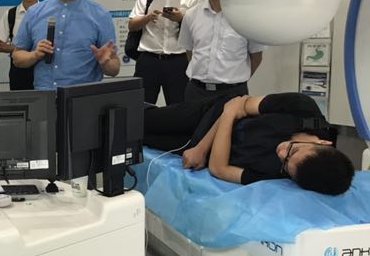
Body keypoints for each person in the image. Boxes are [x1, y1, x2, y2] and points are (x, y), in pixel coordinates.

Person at [143, 92, 355, 194]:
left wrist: (205, 149)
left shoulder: (284, 176)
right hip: (209, 118)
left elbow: (220, 169)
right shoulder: (301, 107)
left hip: (204, 152)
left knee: (141, 138)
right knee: (143, 120)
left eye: (285, 163)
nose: (281, 153)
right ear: (323, 142)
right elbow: (238, 105)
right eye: (293, 149)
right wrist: (202, 147)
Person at [12, 0, 120, 90]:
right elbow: (17, 58)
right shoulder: (34, 13)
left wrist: (105, 62)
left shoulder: (100, 15)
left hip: (83, 97)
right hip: (45, 96)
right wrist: (35, 55)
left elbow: (114, 69)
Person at [128, 0, 201, 105]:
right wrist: (148, 18)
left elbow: (199, 31)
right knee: (141, 106)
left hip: (178, 60)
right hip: (148, 60)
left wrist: (181, 18)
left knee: (179, 107)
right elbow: (132, 25)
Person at [179, 0, 264, 101]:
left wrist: (237, 80)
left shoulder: (247, 17)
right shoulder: (191, 15)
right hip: (197, 91)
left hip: (233, 93)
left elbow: (256, 56)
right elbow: (189, 51)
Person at [0, 0, 41, 90]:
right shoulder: (10, 14)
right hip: (18, 68)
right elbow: (0, 46)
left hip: (42, 66)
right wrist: (22, 50)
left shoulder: (47, 13)